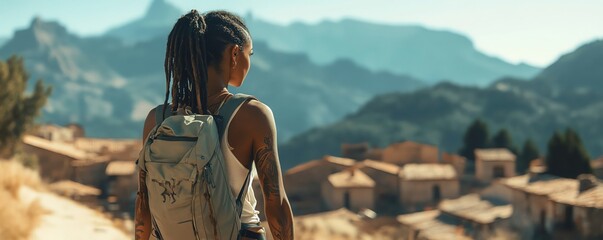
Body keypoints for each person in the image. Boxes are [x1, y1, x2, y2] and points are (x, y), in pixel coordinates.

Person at [135, 10, 294, 240]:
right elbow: (275, 202)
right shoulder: (252, 115)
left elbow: (143, 204)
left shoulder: (157, 119)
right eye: (250, 53)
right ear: (235, 53)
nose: (249, 62)